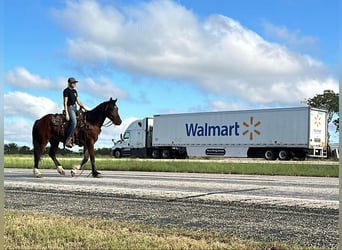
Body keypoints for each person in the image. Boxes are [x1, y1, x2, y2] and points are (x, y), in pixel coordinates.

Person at [63, 77, 87, 148]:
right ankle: (67, 140)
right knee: (74, 122)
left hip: (75, 108)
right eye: (73, 83)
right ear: (69, 83)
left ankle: (79, 138)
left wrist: (84, 107)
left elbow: (78, 101)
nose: (75, 84)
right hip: (70, 108)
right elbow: (65, 102)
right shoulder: (66, 91)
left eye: (75, 83)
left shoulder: (75, 91)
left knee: (83, 120)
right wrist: (67, 113)